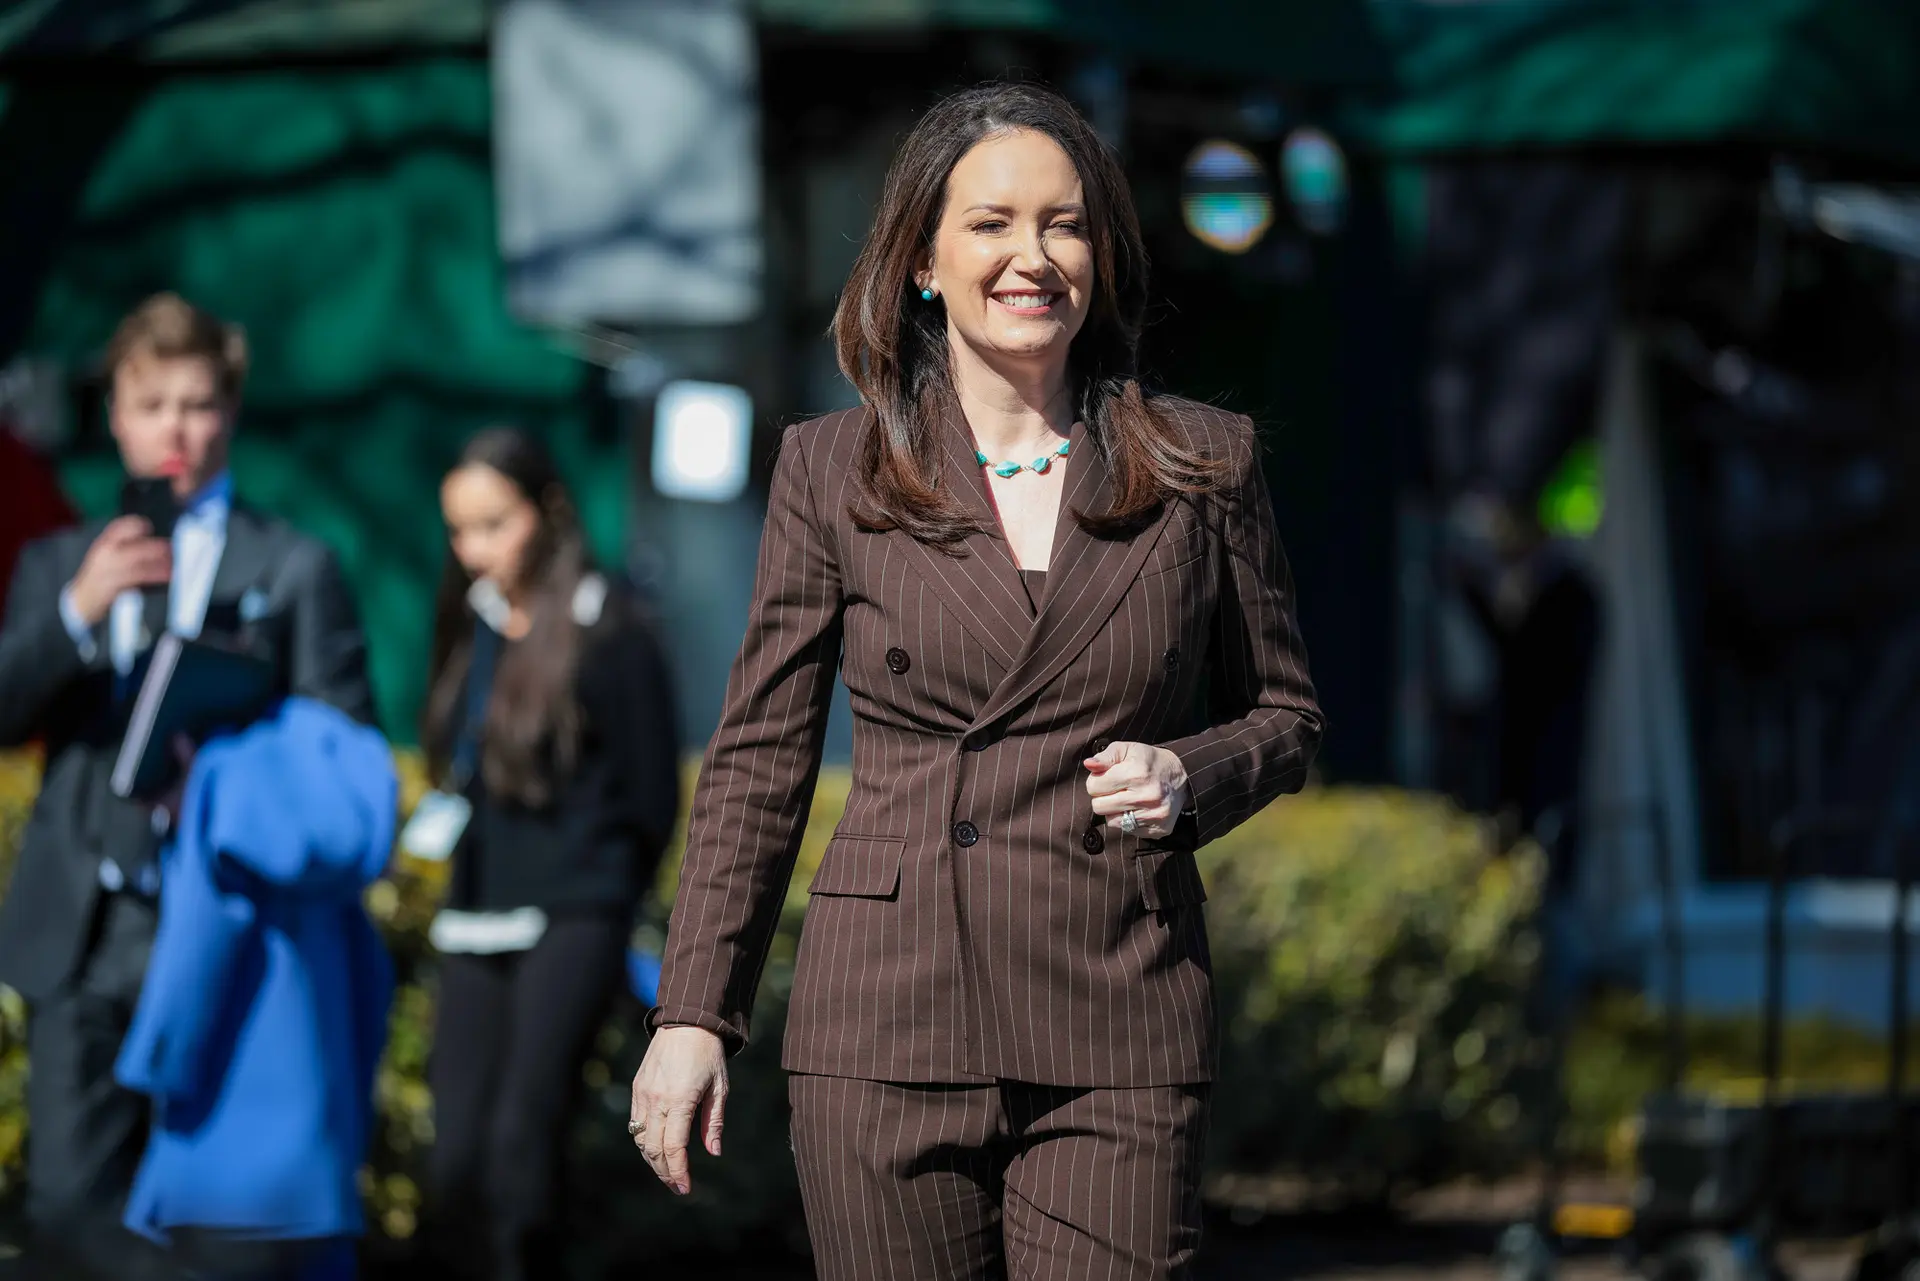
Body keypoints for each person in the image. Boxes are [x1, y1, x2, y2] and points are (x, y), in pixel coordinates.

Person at [630, 83, 1324, 1280]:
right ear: (922, 262)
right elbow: (761, 756)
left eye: (1065, 225)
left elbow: (1287, 715)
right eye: (992, 224)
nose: (1032, 257)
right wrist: (695, 1014)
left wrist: (1193, 770)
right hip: (888, 1018)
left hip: (1117, 1005)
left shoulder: (1202, 461)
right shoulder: (833, 468)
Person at [0, 292, 373, 1278]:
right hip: (82, 930)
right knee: (69, 1214)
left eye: (197, 403)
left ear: (230, 413)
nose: (174, 426)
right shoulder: (56, 564)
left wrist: (230, 768)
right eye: (151, 402)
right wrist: (81, 613)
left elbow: (344, 756)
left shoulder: (295, 567)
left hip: (225, 931)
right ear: (117, 417)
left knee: (221, 1230)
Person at [416, 429, 680, 1281]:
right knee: (453, 1156)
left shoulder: (611, 625)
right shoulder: (473, 620)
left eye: (494, 524)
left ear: (547, 510)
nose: (475, 549)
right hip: (477, 908)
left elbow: (650, 794)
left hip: (573, 909)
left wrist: (610, 904)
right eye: (460, 530)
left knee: (520, 1147)